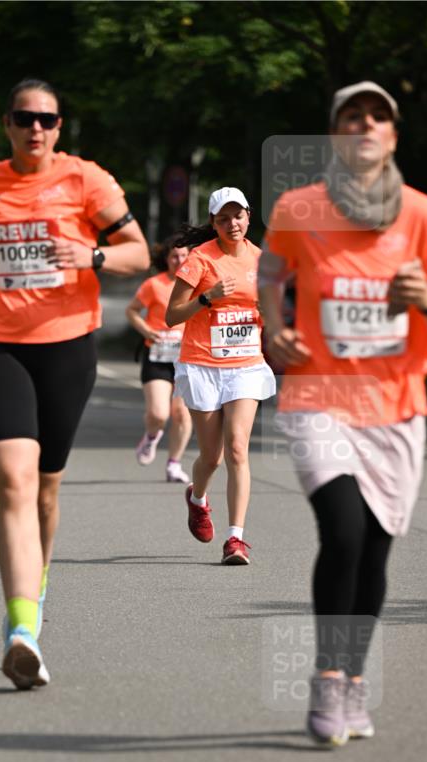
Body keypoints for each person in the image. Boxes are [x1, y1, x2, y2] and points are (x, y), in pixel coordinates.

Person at [258, 81, 427, 747]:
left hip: (395, 408)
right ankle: (325, 676)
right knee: (342, 533)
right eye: (351, 116)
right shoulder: (298, 207)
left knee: (373, 550)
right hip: (317, 398)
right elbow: (269, 275)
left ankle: (353, 679)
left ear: (392, 136)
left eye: (377, 117)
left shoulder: (426, 217)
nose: (365, 125)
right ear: (335, 133)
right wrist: (272, 329)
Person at [0, 77, 149, 689]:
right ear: (6, 123)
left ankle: (34, 591)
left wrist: (92, 257)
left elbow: (139, 252)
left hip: (66, 347)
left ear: (59, 127)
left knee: (45, 492)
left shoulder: (87, 180)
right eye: (24, 117)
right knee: (14, 481)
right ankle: (22, 631)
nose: (35, 128)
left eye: (47, 119)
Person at [166, 187, 276, 565]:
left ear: (249, 216)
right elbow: (172, 315)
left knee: (237, 448)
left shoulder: (263, 261)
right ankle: (197, 498)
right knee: (211, 457)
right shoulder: (200, 259)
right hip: (203, 364)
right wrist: (206, 298)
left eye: (238, 216)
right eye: (223, 218)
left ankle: (235, 539)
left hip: (245, 365)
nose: (232, 224)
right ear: (213, 222)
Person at [126, 237, 193, 482]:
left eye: (184, 255)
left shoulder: (198, 285)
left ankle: (174, 464)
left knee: (182, 414)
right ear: (166, 259)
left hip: (187, 357)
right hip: (158, 355)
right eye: (174, 256)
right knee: (159, 413)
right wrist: (146, 331)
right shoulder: (154, 284)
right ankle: (152, 436)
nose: (179, 260)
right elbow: (132, 310)